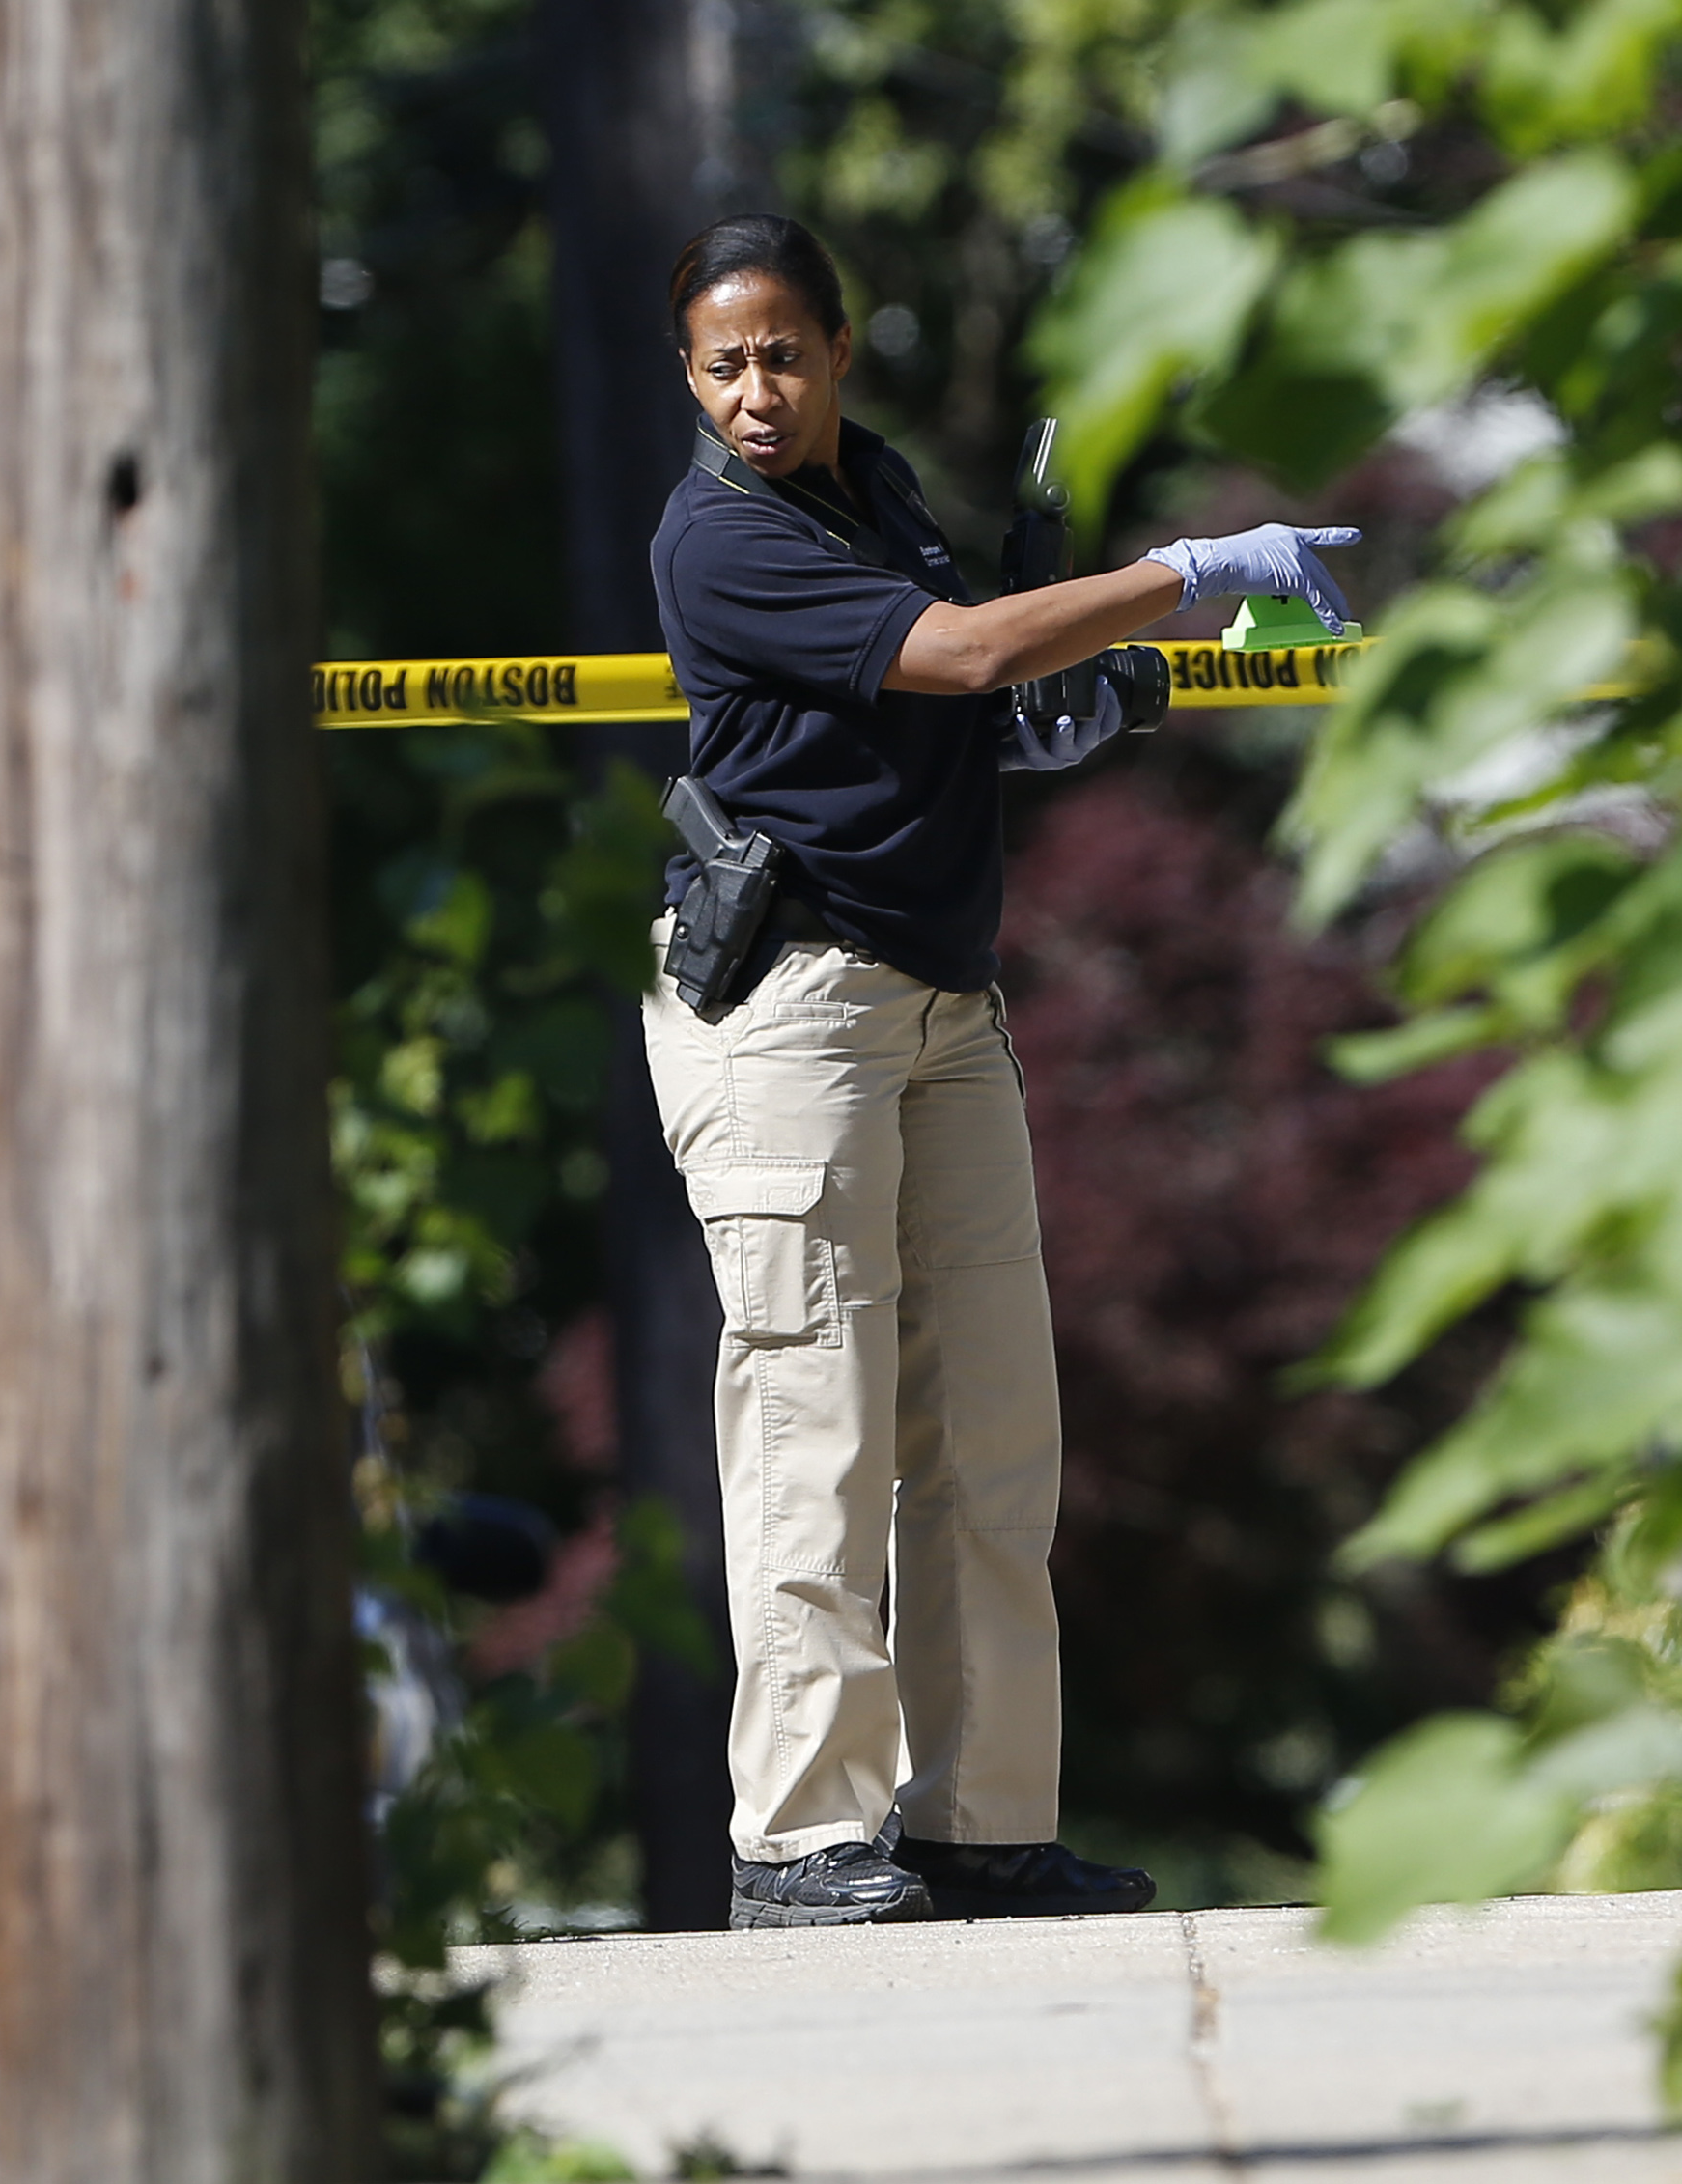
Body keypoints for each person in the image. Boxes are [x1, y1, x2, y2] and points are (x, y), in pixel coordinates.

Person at [644, 212, 1359, 1930]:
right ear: (690, 374)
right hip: (793, 1005)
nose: (757, 392)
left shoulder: (874, 488)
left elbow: (962, 678)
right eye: (725, 365)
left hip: (942, 998)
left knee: (988, 1425)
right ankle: (800, 1839)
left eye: (785, 355)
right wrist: (1192, 572)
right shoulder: (719, 535)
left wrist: (1089, 695)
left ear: (840, 350)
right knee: (813, 1422)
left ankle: (977, 1823)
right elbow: (962, 652)